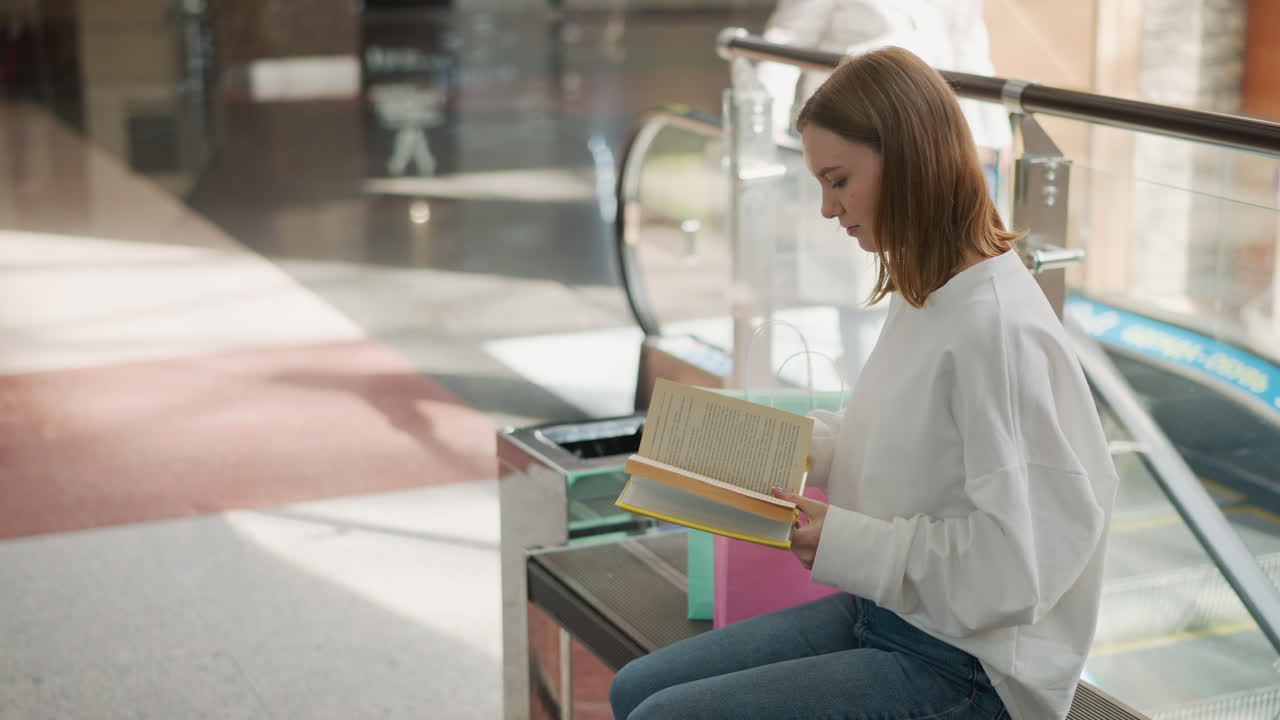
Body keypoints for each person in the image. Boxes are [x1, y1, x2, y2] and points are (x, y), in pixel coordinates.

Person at [609, 47, 1119, 720]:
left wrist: (847, 539)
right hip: (893, 615)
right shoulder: (932, 289)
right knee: (631, 692)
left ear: (906, 160)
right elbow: (908, 439)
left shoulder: (994, 332)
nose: (827, 208)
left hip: (970, 668)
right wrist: (783, 448)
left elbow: (1020, 566)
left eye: (839, 180)